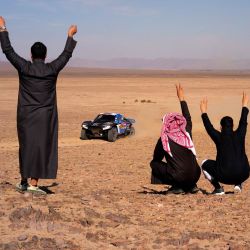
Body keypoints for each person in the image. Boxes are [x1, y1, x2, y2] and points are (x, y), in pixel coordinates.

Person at [0, 16, 77, 194]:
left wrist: (3, 28)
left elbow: (8, 50)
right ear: (45, 56)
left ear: (31, 55)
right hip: (45, 117)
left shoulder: (24, 67)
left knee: (26, 145)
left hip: (26, 116)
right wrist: (70, 36)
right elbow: (66, 55)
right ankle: (33, 183)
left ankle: (24, 181)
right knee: (41, 146)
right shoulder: (52, 69)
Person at [150, 84, 201, 194]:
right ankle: (192, 186)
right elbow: (188, 117)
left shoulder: (164, 138)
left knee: (154, 164)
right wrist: (182, 99)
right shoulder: (186, 133)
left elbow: (157, 157)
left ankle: (176, 187)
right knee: (184, 165)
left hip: (178, 176)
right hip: (196, 175)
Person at [200, 93, 249, 195]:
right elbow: (243, 121)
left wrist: (203, 112)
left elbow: (209, 127)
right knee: (239, 164)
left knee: (204, 163)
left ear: (221, 127)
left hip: (224, 176)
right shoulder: (240, 133)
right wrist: (245, 105)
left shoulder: (219, 136)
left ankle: (218, 188)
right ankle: (238, 183)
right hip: (244, 173)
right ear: (233, 126)